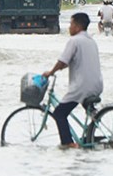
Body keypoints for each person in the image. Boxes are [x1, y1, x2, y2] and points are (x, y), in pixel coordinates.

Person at [42, 12, 104, 149]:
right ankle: (92, 132)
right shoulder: (91, 41)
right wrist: (61, 67)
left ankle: (68, 143)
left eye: (71, 24)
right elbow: (69, 62)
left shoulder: (74, 40)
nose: (69, 27)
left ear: (77, 26)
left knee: (59, 113)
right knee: (89, 110)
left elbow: (62, 61)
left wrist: (50, 72)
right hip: (97, 85)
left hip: (82, 86)